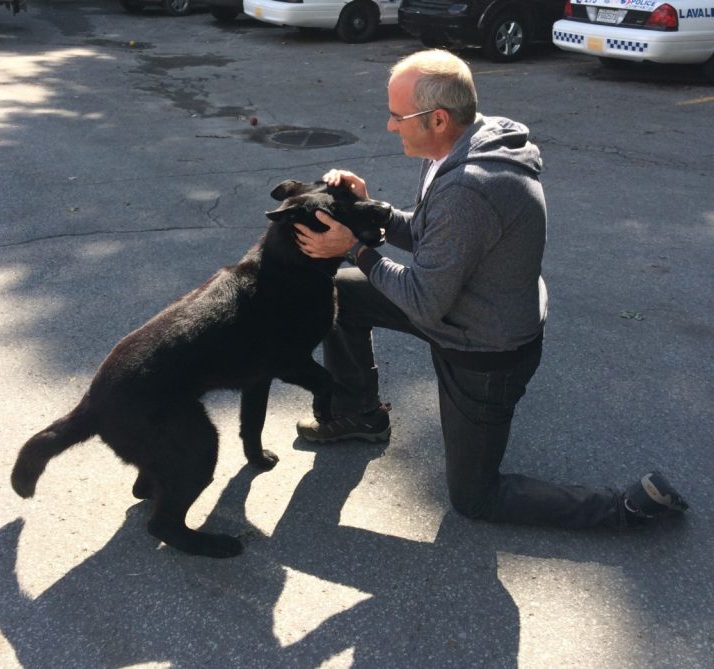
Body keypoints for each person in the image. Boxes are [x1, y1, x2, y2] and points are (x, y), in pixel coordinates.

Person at [293, 49, 688, 530]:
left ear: (437, 118)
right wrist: (368, 210)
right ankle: (359, 413)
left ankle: (624, 509)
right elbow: (431, 234)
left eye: (398, 117)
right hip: (460, 306)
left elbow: (423, 298)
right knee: (338, 291)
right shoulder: (461, 145)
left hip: (484, 348)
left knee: (474, 499)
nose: (390, 127)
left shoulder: (470, 186)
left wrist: (354, 246)